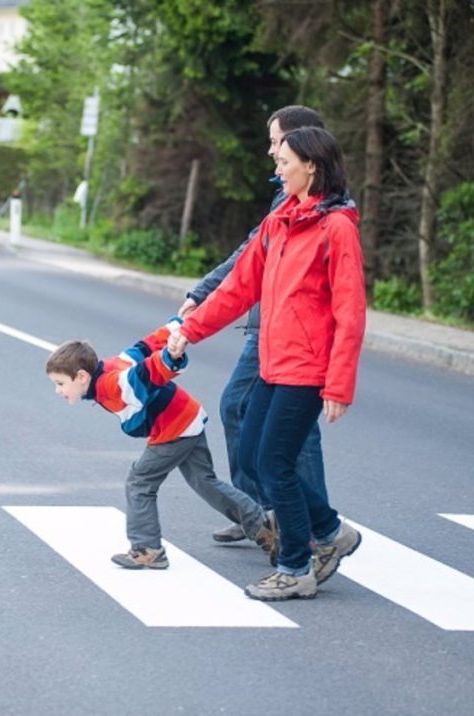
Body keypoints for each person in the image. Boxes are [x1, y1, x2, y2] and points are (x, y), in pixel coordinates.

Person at [169, 127, 366, 601]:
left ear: (311, 166)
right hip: (273, 361)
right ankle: (330, 529)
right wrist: (188, 331)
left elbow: (350, 311)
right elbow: (240, 287)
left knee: (276, 463)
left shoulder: (336, 227)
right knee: (259, 457)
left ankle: (297, 566)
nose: (277, 168)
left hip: (306, 367)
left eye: (285, 162)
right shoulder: (281, 220)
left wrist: (338, 385)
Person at [178, 106, 330, 545]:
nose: (270, 152)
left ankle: (308, 526)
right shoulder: (286, 194)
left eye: (276, 143)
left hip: (289, 331)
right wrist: (203, 294)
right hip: (267, 324)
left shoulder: (319, 206)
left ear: (301, 146)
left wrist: (201, 296)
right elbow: (252, 255)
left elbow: (253, 259)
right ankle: (261, 514)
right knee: (245, 412)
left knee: (287, 430)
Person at [45, 318, 278, 570]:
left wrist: (170, 356)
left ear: (81, 376)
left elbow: (147, 371)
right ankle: (262, 525)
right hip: (187, 416)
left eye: (60, 383)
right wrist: (179, 324)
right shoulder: (113, 366)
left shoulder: (112, 384)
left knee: (140, 482)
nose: (58, 390)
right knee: (204, 482)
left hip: (174, 427)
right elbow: (145, 346)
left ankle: (147, 548)